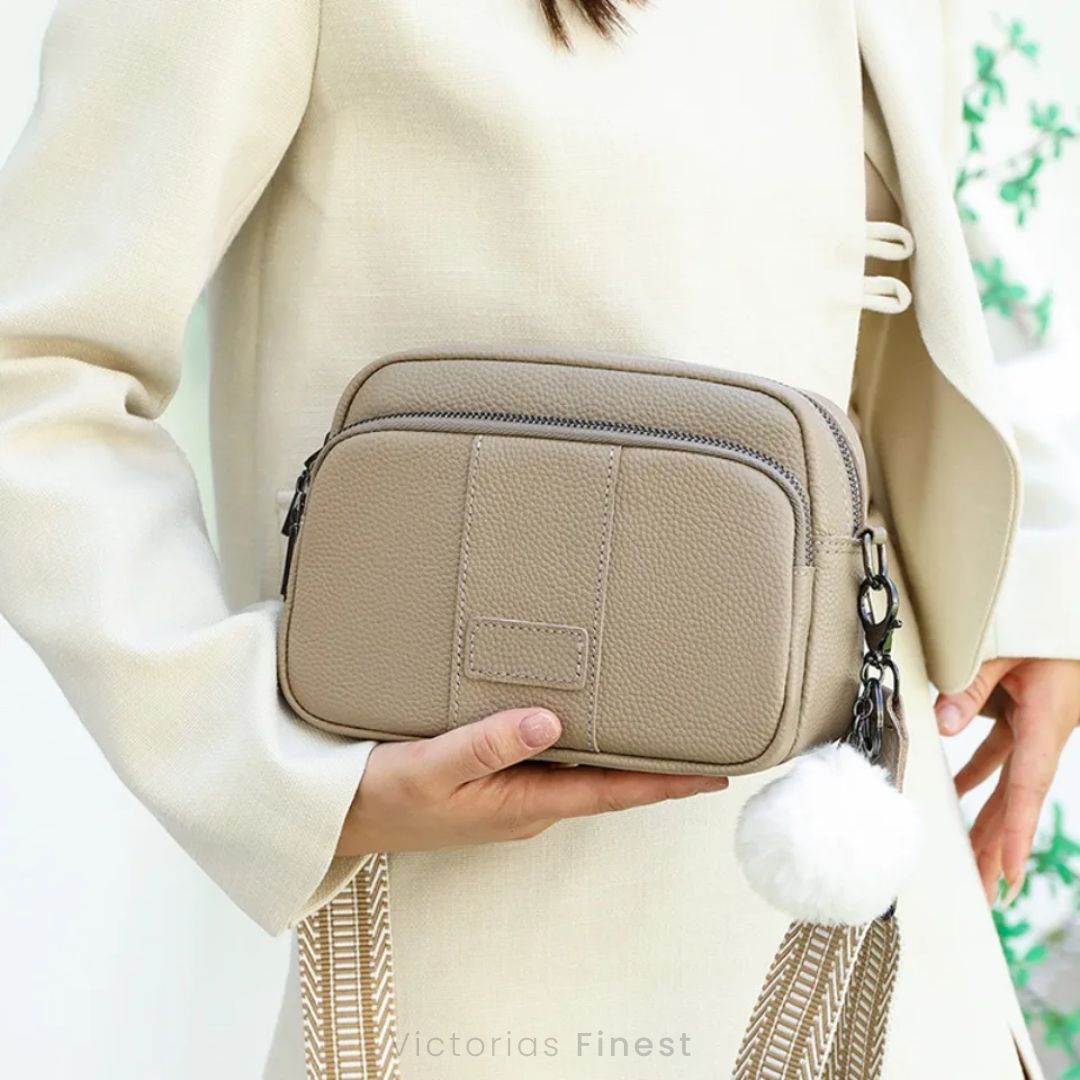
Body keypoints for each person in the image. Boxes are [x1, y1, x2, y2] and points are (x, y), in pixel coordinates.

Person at [1, 0, 1077, 1077]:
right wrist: (269, 761)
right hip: (504, 938)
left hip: (886, 909)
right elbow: (35, 372)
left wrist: (1029, 586)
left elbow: (886, 308)